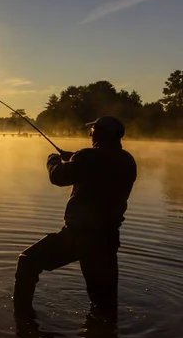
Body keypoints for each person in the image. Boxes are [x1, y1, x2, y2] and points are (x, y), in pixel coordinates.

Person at [12, 116, 137, 319]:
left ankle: (22, 320)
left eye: (92, 132)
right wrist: (74, 157)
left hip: (78, 237)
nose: (90, 135)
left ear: (99, 134)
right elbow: (99, 170)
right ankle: (106, 333)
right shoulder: (127, 161)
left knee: (27, 261)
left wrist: (52, 160)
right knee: (104, 303)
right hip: (107, 239)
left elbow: (58, 177)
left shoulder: (87, 158)